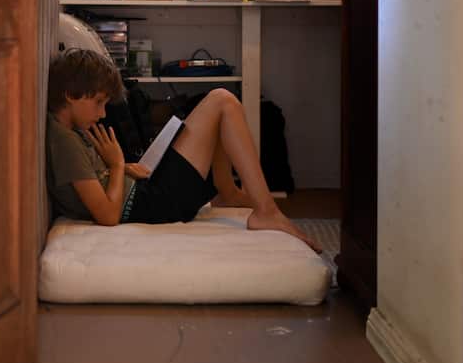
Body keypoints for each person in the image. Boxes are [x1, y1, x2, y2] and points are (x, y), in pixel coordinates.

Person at [46, 48, 318, 250]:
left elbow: (92, 179)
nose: (103, 114)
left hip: (148, 192)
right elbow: (107, 216)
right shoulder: (65, 142)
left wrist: (123, 167)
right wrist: (117, 165)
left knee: (217, 111)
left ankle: (229, 192)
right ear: (70, 95)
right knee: (222, 101)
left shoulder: (67, 130)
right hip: (155, 203)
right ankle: (266, 212)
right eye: (98, 102)